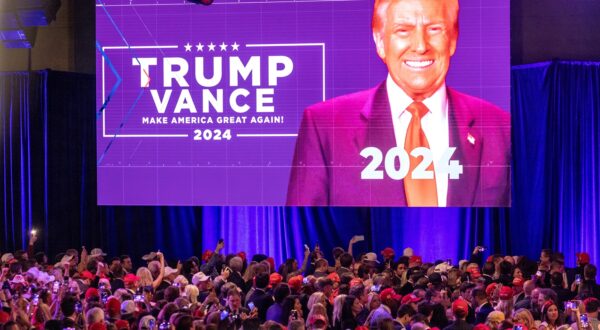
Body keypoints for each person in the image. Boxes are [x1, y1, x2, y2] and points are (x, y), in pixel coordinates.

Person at [287, 0, 510, 207]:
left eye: (434, 29)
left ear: (452, 39)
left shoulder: (500, 127)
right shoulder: (325, 125)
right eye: (403, 30)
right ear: (380, 41)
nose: (421, 46)